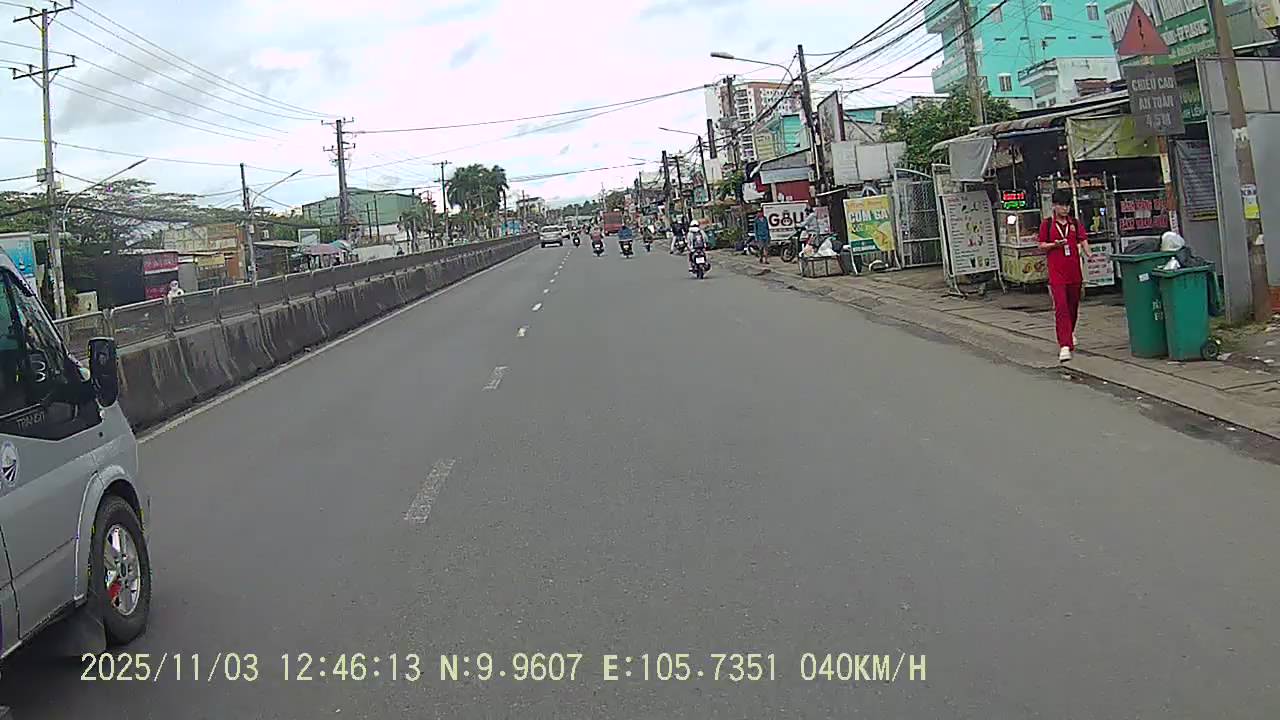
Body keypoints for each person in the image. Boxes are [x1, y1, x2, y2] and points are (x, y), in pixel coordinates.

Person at [1038, 189, 1091, 362]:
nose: (1065, 208)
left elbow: (1082, 239)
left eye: (1067, 205)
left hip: (1074, 271)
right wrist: (1054, 245)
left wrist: (1089, 253)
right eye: (1061, 205)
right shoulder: (1047, 224)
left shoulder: (1074, 222)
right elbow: (1041, 245)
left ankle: (1070, 332)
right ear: (1054, 206)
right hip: (1057, 273)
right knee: (1061, 307)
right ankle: (1064, 344)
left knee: (1073, 306)